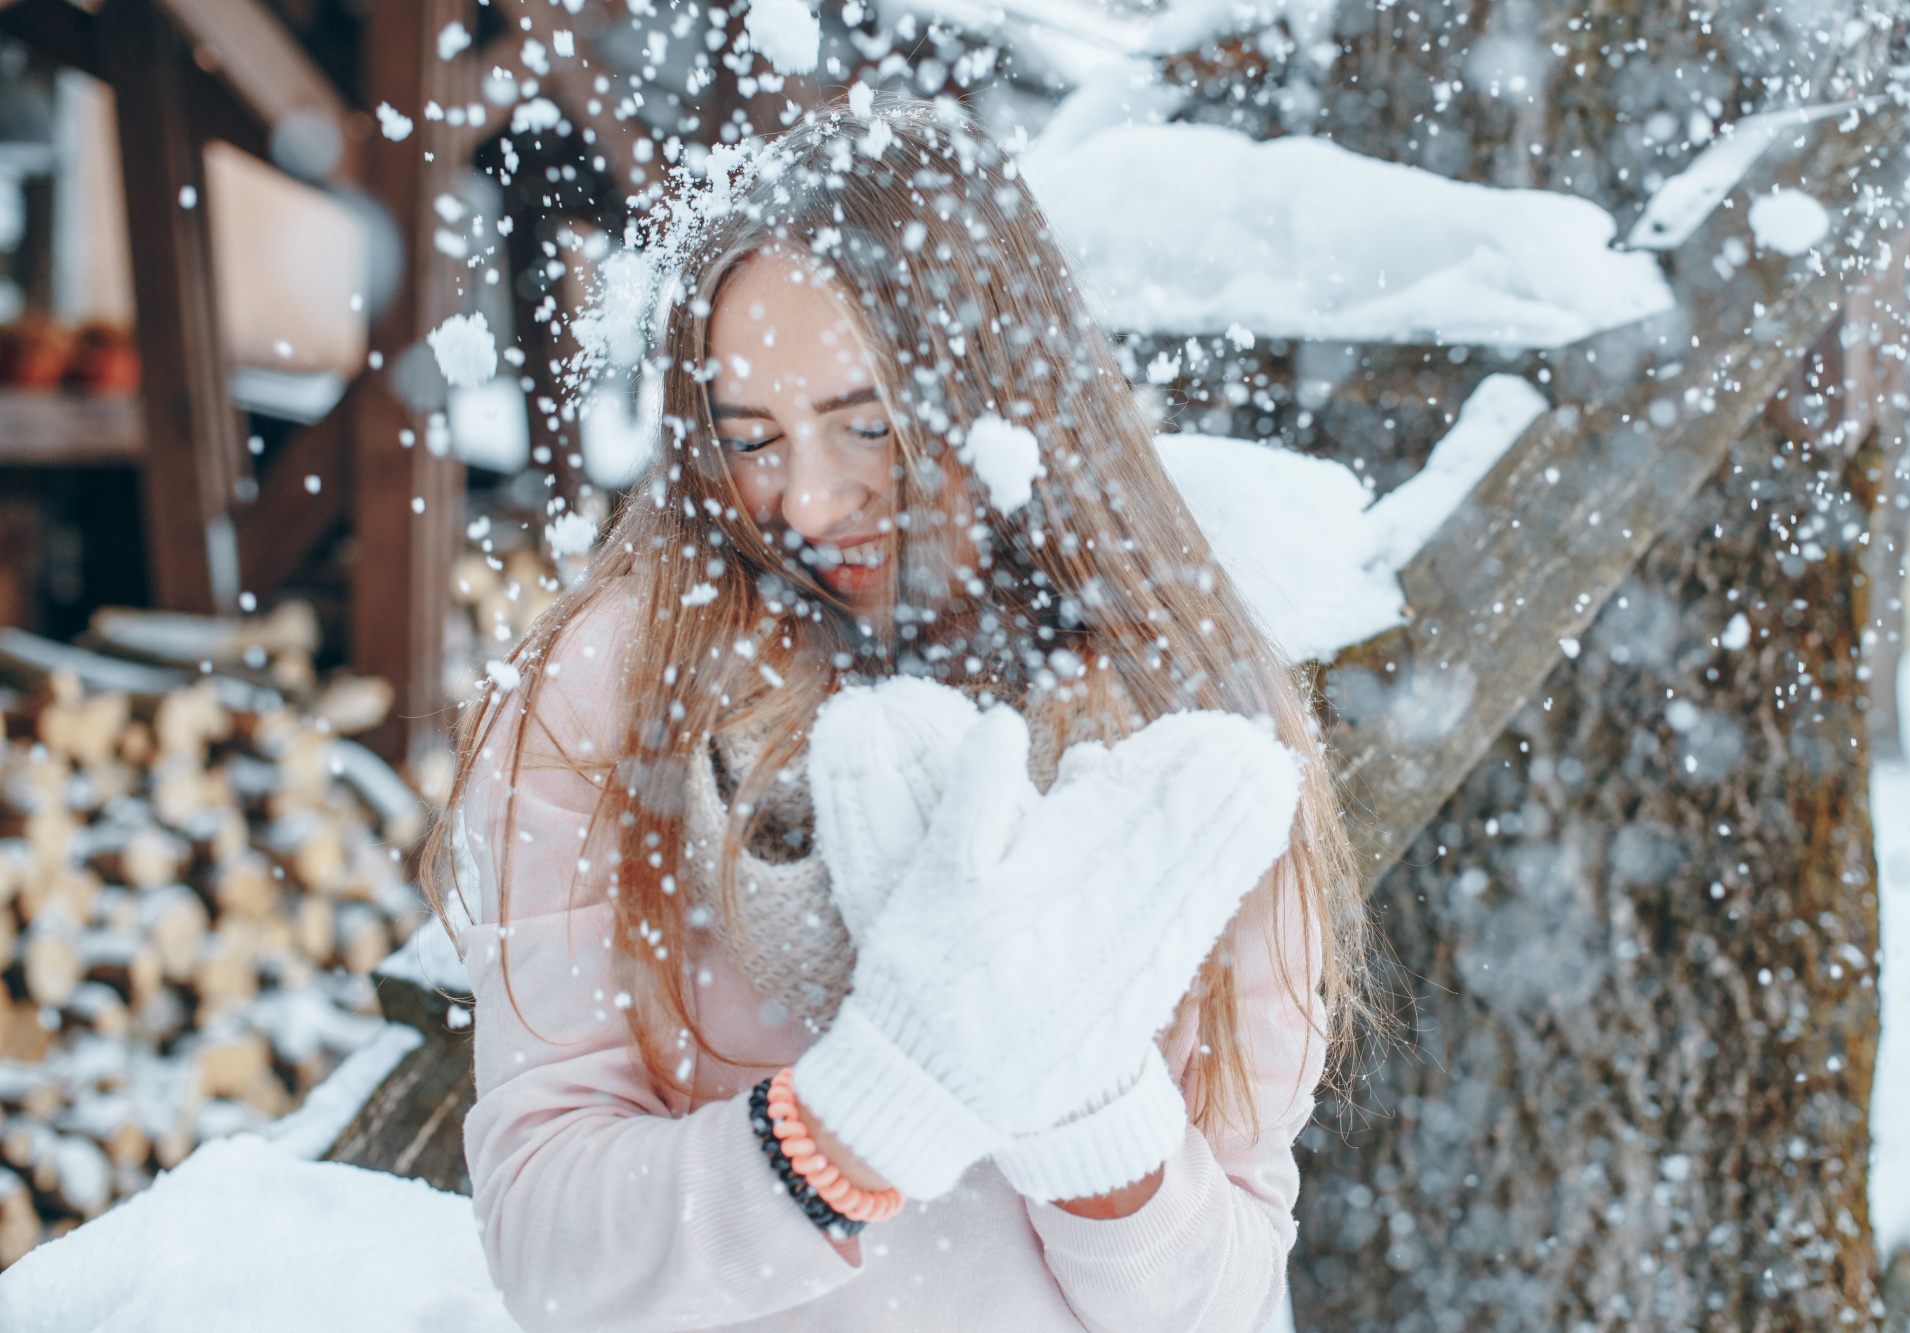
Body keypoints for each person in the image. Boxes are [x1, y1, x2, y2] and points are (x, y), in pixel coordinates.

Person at [426, 95, 1376, 1332]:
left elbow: (1222, 1298)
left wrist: (1084, 1098)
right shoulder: (613, 687)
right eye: (748, 437)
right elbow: (552, 1246)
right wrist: (862, 1113)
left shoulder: (1177, 709)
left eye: (866, 423)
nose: (806, 502)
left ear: (1002, 389)